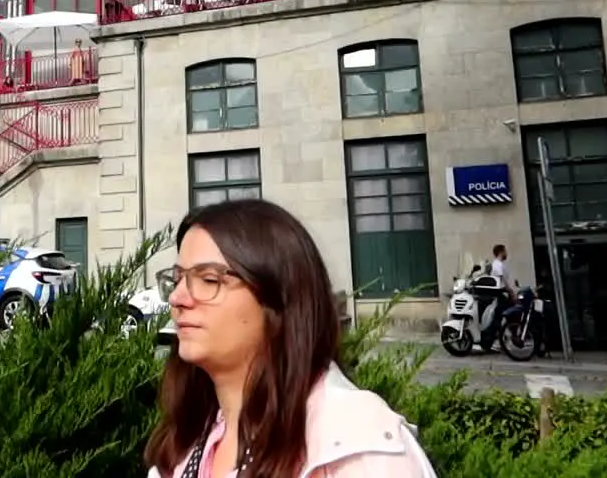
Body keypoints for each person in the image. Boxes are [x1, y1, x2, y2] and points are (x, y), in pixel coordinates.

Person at [145, 199, 437, 478]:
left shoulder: (359, 449)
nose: (177, 297)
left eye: (208, 279)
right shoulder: (184, 445)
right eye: (178, 278)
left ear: (279, 298)